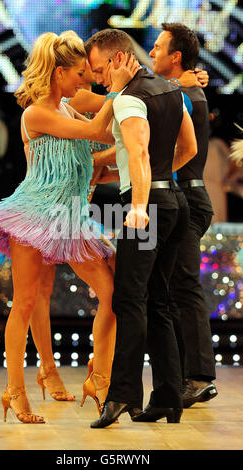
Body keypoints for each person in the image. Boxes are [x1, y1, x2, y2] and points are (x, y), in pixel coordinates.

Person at [0, 31, 139, 423]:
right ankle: (15, 390)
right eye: (79, 73)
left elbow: (99, 151)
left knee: (112, 294)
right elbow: (98, 132)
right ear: (60, 73)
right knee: (26, 302)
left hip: (72, 218)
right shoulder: (36, 113)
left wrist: (138, 156)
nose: (84, 80)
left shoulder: (67, 108)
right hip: (35, 215)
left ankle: (99, 376)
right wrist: (118, 89)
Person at [84, 28, 197, 428]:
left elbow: (139, 153)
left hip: (143, 209)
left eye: (99, 70)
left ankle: (121, 396)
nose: (97, 78)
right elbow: (188, 149)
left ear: (117, 60)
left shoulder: (129, 98)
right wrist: (154, 184)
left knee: (127, 301)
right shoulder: (169, 89)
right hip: (174, 202)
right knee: (159, 301)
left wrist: (137, 203)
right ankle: (168, 397)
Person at [140, 23, 217, 411]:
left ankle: (199, 377)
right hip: (182, 198)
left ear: (177, 57)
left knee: (184, 286)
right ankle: (188, 375)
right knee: (172, 289)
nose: (150, 53)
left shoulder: (185, 94)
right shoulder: (181, 90)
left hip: (186, 197)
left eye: (157, 47)